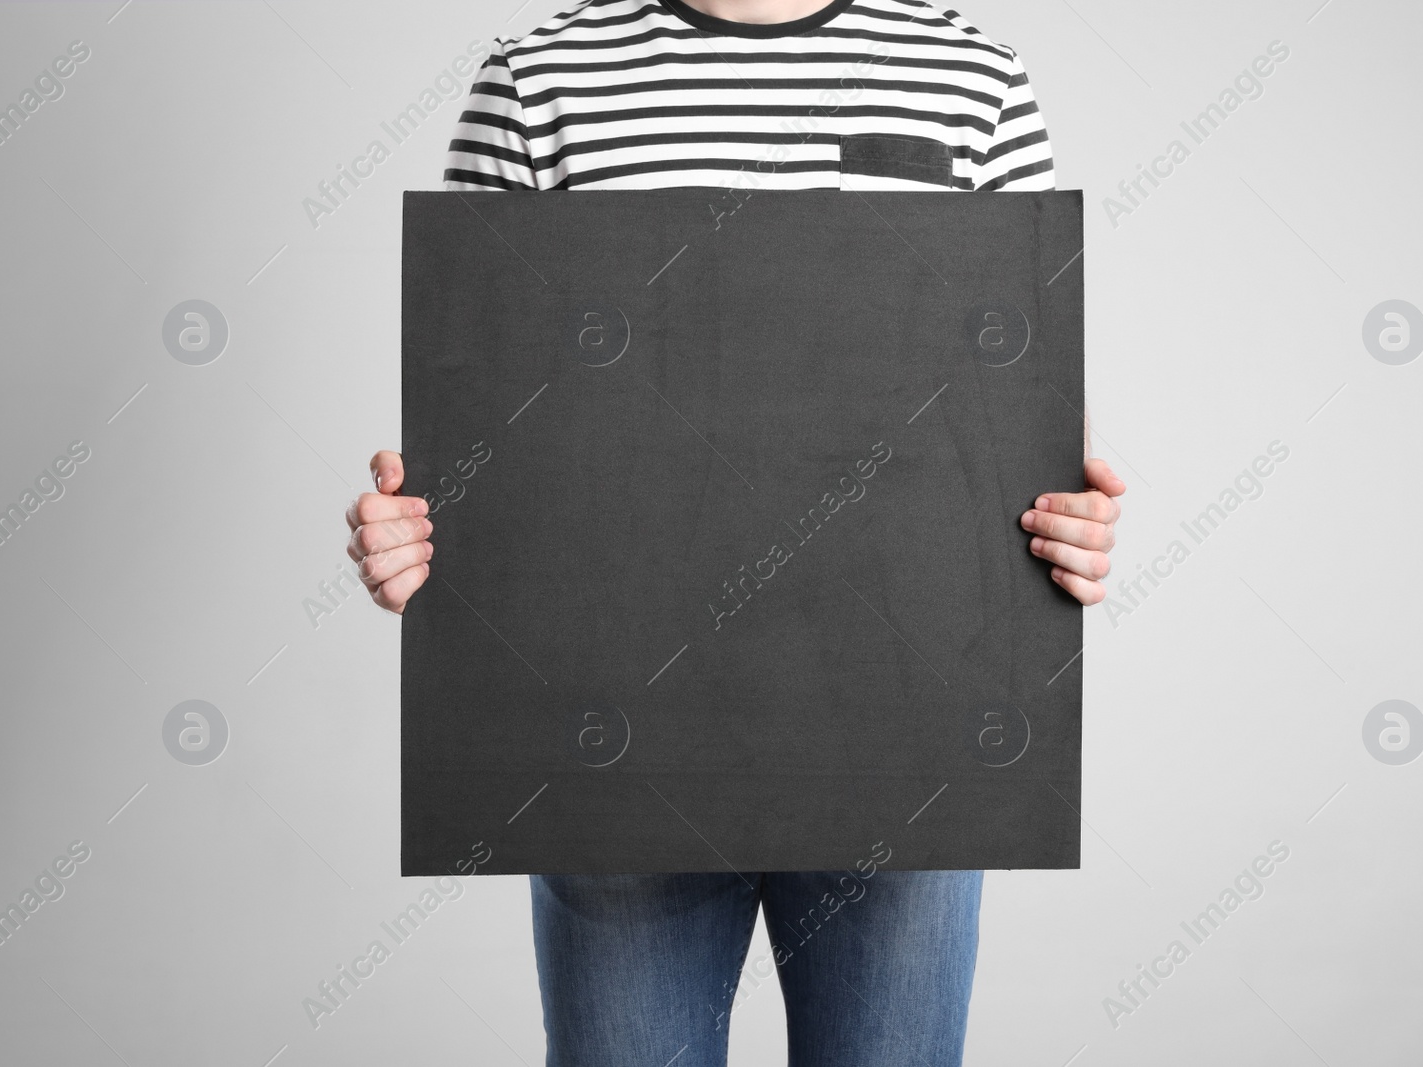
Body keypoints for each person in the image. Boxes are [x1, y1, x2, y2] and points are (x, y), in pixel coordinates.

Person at [346, 1, 1124, 1063]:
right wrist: (410, 531)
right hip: (613, 744)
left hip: (903, 737)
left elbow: (1019, 382)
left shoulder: (966, 71)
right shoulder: (541, 77)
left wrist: (1075, 518)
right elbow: (473, 398)